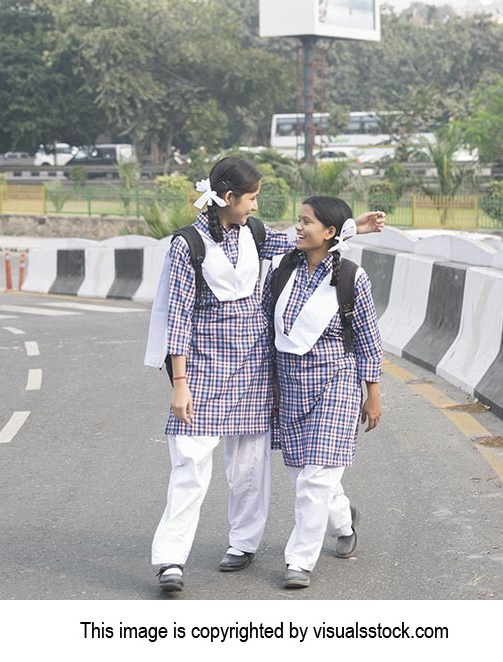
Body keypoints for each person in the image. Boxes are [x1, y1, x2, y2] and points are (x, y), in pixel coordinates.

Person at [144, 157, 384, 592]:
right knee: (189, 465)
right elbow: (176, 316)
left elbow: (300, 243)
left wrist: (353, 228)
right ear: (229, 197)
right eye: (252, 197)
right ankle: (170, 560)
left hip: (255, 371)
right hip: (203, 373)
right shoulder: (187, 246)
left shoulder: (254, 235)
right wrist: (179, 383)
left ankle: (242, 542)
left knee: (249, 468)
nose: (257, 206)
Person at [262, 195, 383, 589]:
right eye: (298, 220)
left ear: (329, 232)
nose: (298, 227)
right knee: (306, 478)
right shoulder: (283, 269)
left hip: (337, 384)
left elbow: (368, 339)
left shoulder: (351, 277)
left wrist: (374, 393)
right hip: (291, 385)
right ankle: (344, 518)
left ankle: (299, 561)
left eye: (307, 222)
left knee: (315, 479)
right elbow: (266, 323)